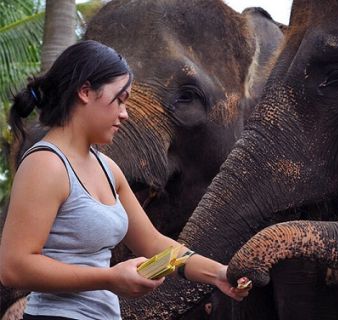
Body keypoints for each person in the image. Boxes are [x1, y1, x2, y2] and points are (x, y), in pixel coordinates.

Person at [0, 40, 251, 320]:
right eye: (119, 99)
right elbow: (14, 267)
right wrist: (108, 278)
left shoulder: (107, 168)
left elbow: (154, 242)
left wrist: (218, 273)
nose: (124, 113)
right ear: (85, 91)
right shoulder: (45, 164)